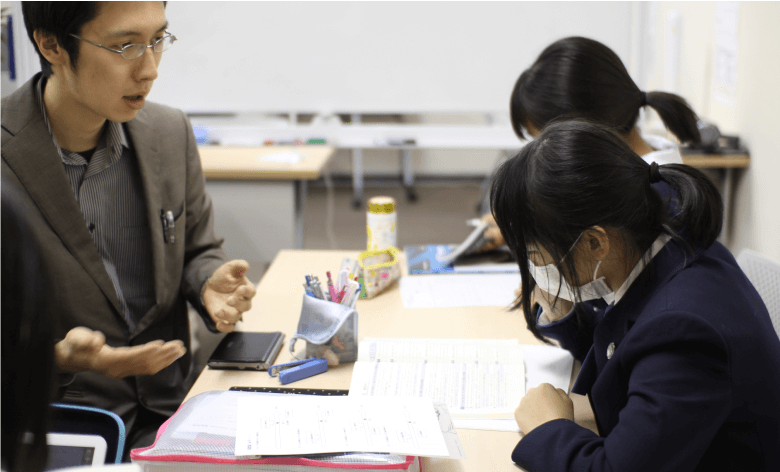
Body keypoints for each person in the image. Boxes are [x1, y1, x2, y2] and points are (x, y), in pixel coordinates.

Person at [2, 1, 257, 455]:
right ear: (50, 44)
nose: (150, 69)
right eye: (125, 46)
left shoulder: (168, 130)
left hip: (176, 410)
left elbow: (197, 250)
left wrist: (207, 284)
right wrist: (55, 357)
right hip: (61, 425)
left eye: (158, 40)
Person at [490, 119, 780, 471]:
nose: (536, 268)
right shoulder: (660, 234)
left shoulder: (683, 332)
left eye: (536, 256)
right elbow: (623, 348)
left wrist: (549, 428)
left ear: (595, 242)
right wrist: (565, 310)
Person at [481, 36, 702, 247]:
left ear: (584, 128)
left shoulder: (650, 194)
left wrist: (524, 238)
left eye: (545, 143)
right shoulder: (629, 172)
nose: (543, 158)